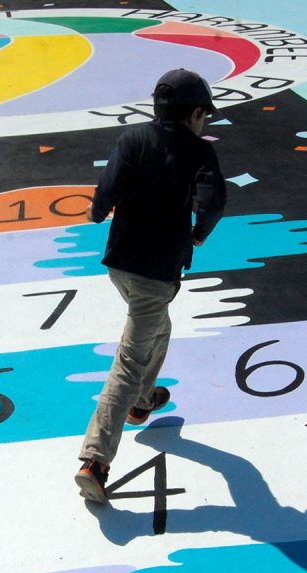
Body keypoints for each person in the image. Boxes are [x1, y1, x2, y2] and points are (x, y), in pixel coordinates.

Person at [75, 68, 227, 503]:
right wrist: (199, 233)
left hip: (120, 264)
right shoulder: (199, 153)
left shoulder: (133, 140)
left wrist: (97, 213)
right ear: (195, 113)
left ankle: (144, 400)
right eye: (205, 115)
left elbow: (107, 189)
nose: (204, 123)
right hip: (156, 274)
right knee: (128, 360)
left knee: (158, 328)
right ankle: (95, 460)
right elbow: (213, 201)